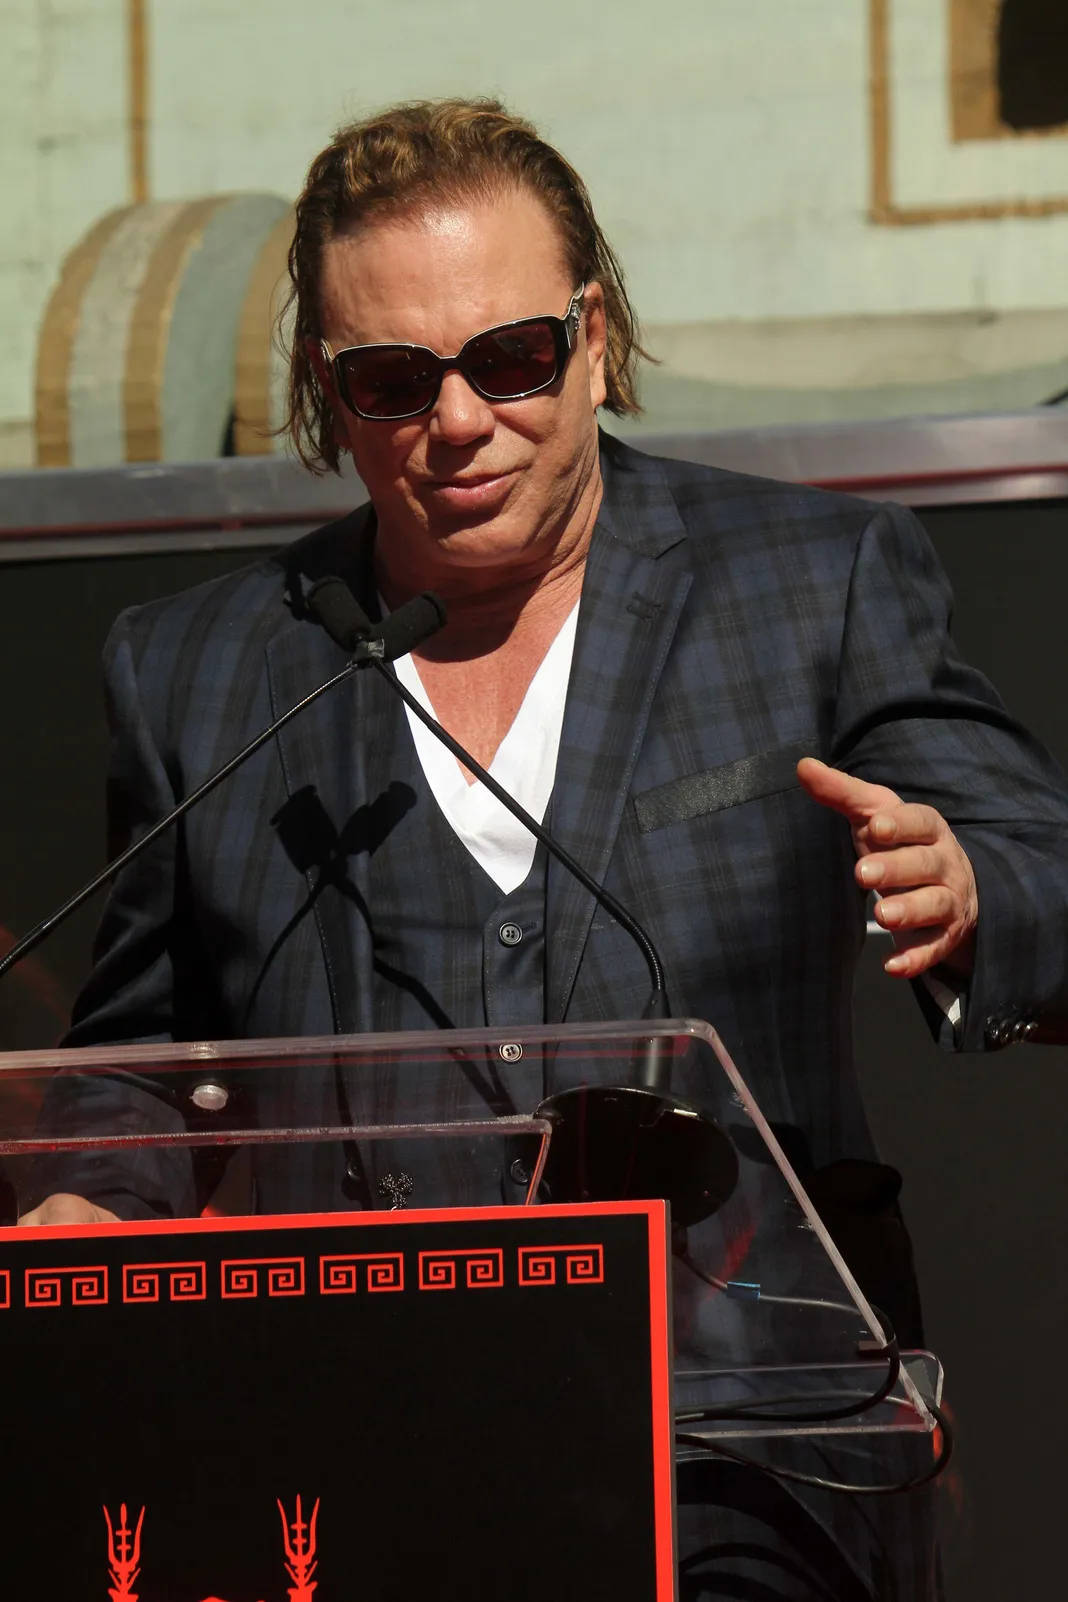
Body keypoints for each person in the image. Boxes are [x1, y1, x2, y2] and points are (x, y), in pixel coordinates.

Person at [20, 98, 1068, 1596]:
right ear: (327, 396)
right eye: (392, 378)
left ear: (598, 337)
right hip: (342, 1450)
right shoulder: (202, 672)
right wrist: (96, 1198)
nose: (458, 419)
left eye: (509, 357)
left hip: (739, 1457)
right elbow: (138, 1056)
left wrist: (971, 888)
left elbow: (1047, 874)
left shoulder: (811, 583)